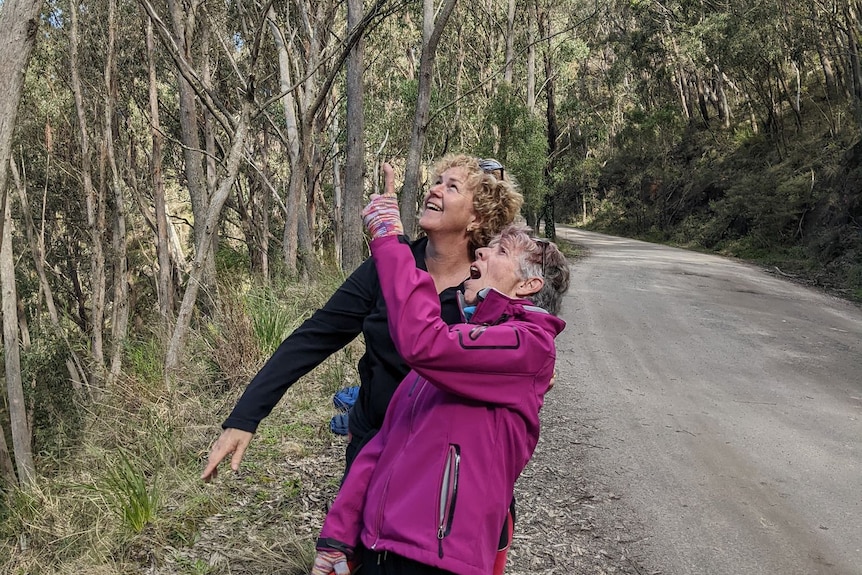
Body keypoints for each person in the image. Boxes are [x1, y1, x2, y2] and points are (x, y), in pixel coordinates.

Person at [201, 155, 522, 481]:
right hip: (372, 445)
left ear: (476, 219)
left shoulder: (485, 287)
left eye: (451, 187)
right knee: (343, 533)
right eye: (437, 182)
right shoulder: (387, 267)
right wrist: (245, 417)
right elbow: (316, 335)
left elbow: (516, 362)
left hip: (441, 462)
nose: (434, 191)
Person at [310, 177, 570, 575]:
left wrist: (391, 244)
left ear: (528, 285)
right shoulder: (457, 345)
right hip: (379, 549)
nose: (482, 251)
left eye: (499, 250)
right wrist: (338, 536)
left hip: (439, 560)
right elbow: (383, 444)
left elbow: (422, 341)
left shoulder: (529, 346)